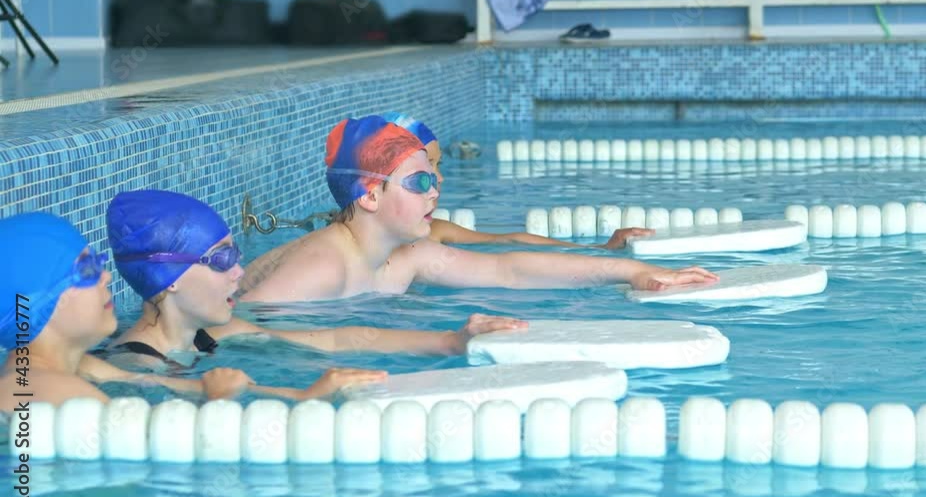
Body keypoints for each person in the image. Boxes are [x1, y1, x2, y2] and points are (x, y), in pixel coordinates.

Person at [238, 115, 717, 303]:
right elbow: (228, 329)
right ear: (370, 195)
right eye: (421, 180)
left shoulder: (409, 255)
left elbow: (511, 270)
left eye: (435, 177)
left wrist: (632, 271)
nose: (435, 191)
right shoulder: (322, 266)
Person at [104, 189, 525, 368]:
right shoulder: (135, 364)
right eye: (222, 259)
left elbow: (336, 338)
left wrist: (451, 341)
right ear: (170, 277)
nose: (238, 271)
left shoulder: (213, 332)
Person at [0, 213, 352, 412]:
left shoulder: (77, 368)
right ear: (41, 302)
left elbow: (178, 386)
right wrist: (218, 405)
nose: (106, 275)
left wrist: (303, 398)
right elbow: (164, 458)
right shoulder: (52, 390)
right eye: (88, 270)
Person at [382, 111, 653, 250]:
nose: (440, 177)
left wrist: (600, 249)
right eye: (428, 165)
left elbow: (509, 241)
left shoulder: (435, 232)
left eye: (438, 165)